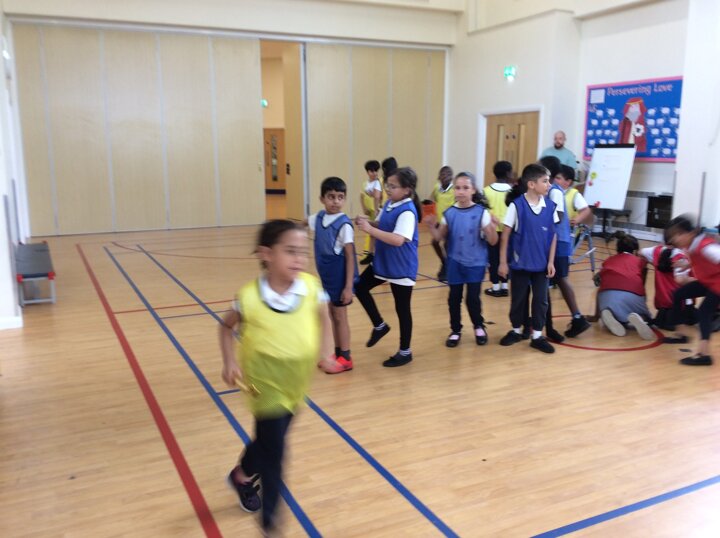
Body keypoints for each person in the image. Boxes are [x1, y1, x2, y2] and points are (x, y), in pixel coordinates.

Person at [220, 220, 333, 533]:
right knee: (276, 453)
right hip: (263, 384)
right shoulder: (249, 297)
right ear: (266, 254)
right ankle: (270, 521)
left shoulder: (310, 287)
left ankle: (241, 475)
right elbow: (225, 327)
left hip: (296, 383)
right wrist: (229, 362)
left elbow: (324, 317)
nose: (299, 259)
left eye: (303, 252)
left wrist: (327, 352)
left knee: (271, 438)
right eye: (290, 251)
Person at [355, 166, 420, 367]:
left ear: (407, 190)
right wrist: (367, 223)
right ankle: (380, 325)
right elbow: (381, 225)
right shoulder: (390, 204)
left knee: (402, 309)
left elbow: (398, 239)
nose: (388, 189)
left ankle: (405, 351)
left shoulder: (408, 211)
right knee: (359, 286)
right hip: (384, 263)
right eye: (387, 185)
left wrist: (369, 230)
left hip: (401, 266)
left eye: (393, 186)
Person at [424, 172, 498, 347]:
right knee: (454, 298)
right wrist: (431, 227)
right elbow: (439, 237)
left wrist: (492, 229)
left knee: (472, 298)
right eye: (458, 188)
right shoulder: (449, 213)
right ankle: (455, 330)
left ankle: (478, 326)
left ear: (473, 190)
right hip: (455, 262)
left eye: (465, 188)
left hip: (476, 263)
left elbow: (493, 241)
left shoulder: (481, 213)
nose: (461, 191)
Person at [498, 163, 559, 354]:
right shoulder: (516, 206)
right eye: (545, 181)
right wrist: (502, 262)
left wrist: (551, 261)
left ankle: (537, 336)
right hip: (520, 264)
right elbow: (505, 236)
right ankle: (516, 331)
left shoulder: (551, 207)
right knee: (518, 299)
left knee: (541, 300)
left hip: (542, 265)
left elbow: (553, 236)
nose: (549, 185)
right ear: (532, 184)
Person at [308, 176, 358, 374]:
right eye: (331, 197)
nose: (336, 201)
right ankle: (337, 354)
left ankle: (346, 357)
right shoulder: (318, 218)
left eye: (340, 197)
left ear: (344, 199)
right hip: (326, 276)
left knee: (340, 315)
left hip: (339, 277)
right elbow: (302, 224)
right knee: (332, 314)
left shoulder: (344, 225)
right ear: (322, 198)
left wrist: (348, 286)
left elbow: (350, 257)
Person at [662, 215, 720, 366]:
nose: (675, 239)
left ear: (690, 233)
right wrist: (686, 265)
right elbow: (699, 259)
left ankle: (704, 354)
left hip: (717, 283)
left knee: (704, 312)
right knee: (679, 294)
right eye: (673, 236)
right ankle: (680, 334)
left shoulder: (706, 246)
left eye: (678, 234)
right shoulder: (690, 245)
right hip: (709, 281)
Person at [549, 164, 593, 338]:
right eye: (555, 177)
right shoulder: (553, 190)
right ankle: (576, 317)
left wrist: (577, 219)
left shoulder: (571, 194)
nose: (555, 180)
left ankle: (576, 317)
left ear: (568, 181)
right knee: (559, 279)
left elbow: (586, 210)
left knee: (560, 278)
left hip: (561, 239)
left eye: (559, 178)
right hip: (557, 238)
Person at [593, 232, 655, 340]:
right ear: (635, 251)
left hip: (606, 297)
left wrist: (596, 316)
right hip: (631, 295)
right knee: (645, 316)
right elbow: (641, 285)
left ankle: (607, 315)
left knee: (604, 294)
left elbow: (599, 282)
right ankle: (639, 317)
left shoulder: (608, 261)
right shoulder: (640, 261)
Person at [638, 228, 694, 330]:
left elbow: (640, 252)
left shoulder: (656, 250)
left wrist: (652, 263)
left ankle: (649, 321)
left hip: (662, 306)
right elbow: (683, 282)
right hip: (680, 307)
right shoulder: (681, 256)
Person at [484, 161, 514, 297]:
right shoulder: (512, 191)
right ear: (508, 173)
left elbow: (483, 212)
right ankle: (505, 285)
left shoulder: (486, 191)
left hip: (492, 231)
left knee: (493, 259)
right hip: (508, 230)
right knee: (505, 258)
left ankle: (495, 287)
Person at [428, 165, 455, 282]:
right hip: (440, 222)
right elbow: (432, 199)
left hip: (450, 223)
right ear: (439, 177)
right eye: (443, 175)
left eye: (448, 175)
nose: (445, 177)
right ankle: (444, 262)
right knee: (434, 242)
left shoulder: (454, 190)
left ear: (451, 177)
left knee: (447, 245)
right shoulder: (437, 188)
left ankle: (447, 269)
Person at [359, 160, 382, 265]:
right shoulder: (365, 184)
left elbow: (377, 197)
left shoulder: (378, 183)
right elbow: (361, 196)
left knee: (376, 234)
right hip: (369, 212)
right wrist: (364, 208)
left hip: (377, 212)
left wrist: (376, 209)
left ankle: (375, 255)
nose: (375, 173)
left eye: (376, 171)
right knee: (371, 234)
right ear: (367, 172)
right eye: (372, 171)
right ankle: (370, 254)